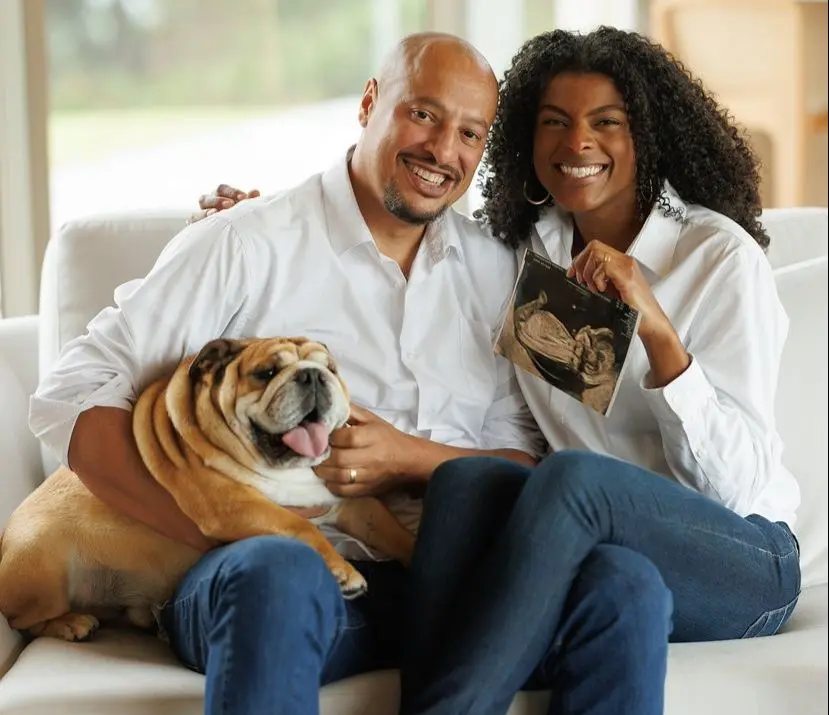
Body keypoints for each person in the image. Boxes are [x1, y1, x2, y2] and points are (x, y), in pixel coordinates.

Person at [203, 26, 802, 715]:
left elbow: (738, 483)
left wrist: (659, 334)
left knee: (572, 478)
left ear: (649, 132)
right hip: (604, 542)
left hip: (738, 555)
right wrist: (268, 218)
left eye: (606, 122)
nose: (577, 142)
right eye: (554, 122)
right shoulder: (526, 254)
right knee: (470, 483)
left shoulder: (718, 257)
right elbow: (388, 207)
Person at [28, 32, 545, 715]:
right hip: (265, 575)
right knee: (280, 571)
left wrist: (405, 457)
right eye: (422, 114)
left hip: (440, 575)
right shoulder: (247, 241)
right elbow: (70, 396)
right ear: (369, 103)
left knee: (614, 587)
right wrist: (222, 522)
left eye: (470, 133)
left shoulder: (499, 272)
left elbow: (522, 457)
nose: (443, 150)